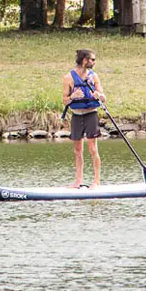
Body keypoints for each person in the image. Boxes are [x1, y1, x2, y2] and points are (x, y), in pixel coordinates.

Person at [62, 49, 107, 188]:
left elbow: (104, 97)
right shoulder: (68, 78)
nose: (94, 62)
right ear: (84, 60)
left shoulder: (94, 76)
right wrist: (72, 97)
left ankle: (96, 181)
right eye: (92, 59)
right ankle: (78, 180)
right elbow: (64, 100)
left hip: (91, 114)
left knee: (93, 148)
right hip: (76, 115)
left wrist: (98, 95)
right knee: (77, 150)